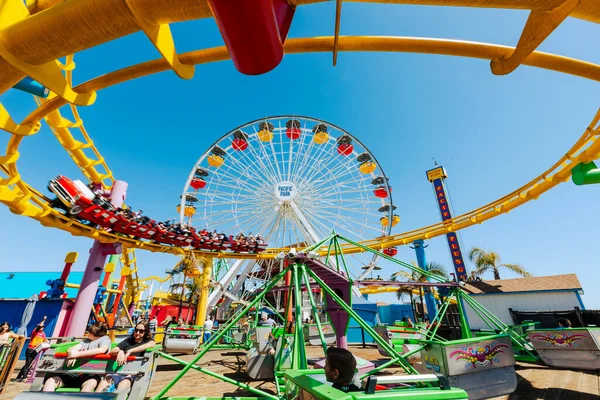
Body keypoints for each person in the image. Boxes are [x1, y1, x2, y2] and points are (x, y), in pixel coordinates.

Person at [42, 322, 110, 392]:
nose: (87, 333)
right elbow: (71, 349)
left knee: (91, 383)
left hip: (91, 374)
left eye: (89, 332)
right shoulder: (86, 341)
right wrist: (72, 355)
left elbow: (102, 350)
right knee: (51, 381)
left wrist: (77, 354)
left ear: (93, 333)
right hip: (74, 373)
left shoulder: (105, 339)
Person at [95, 322, 155, 393]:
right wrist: (121, 351)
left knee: (124, 383)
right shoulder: (128, 341)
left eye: (141, 331)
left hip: (132, 374)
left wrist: (130, 351)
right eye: (136, 330)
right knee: (105, 380)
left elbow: (150, 345)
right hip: (119, 372)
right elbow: (112, 351)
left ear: (146, 332)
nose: (137, 333)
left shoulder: (148, 341)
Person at [16, 316, 48, 382]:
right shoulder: (35, 332)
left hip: (36, 350)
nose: (42, 327)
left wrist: (47, 342)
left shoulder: (43, 334)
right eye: (41, 327)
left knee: (28, 363)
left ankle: (19, 376)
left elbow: (44, 340)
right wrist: (43, 320)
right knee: (28, 363)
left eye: (43, 327)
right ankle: (24, 378)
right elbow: (38, 327)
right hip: (30, 349)